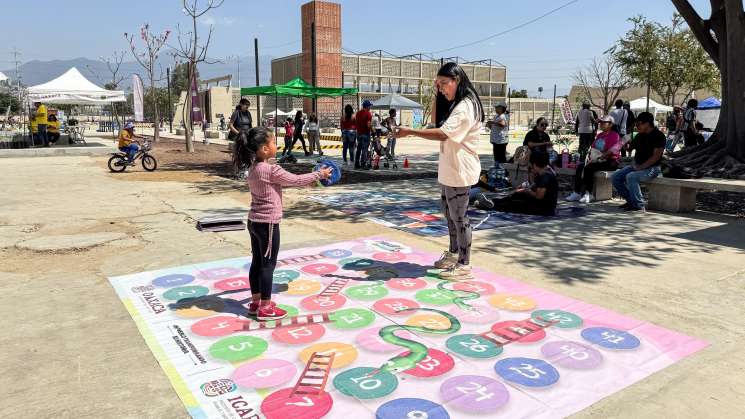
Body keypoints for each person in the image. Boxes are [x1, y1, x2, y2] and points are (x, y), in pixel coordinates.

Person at [233, 127, 332, 320]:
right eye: (272, 142)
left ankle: (255, 302)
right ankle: (266, 308)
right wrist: (319, 174)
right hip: (268, 223)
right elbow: (296, 180)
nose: (275, 145)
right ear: (263, 149)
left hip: (253, 222)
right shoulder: (271, 169)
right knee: (268, 265)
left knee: (257, 262)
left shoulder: (253, 168)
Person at [396, 62, 483, 280]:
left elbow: (443, 133)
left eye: (444, 83)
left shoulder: (466, 106)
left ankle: (464, 264)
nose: (442, 88)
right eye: (438, 84)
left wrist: (410, 132)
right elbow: (437, 121)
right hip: (449, 168)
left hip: (460, 169)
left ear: (458, 80)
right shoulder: (456, 103)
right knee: (449, 214)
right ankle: (454, 253)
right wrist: (438, 92)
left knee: (459, 217)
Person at [612, 112, 665, 212]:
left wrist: (641, 167)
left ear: (647, 123)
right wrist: (625, 143)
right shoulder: (639, 136)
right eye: (636, 124)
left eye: (639, 124)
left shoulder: (659, 136)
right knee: (615, 177)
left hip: (653, 168)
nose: (637, 126)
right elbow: (629, 149)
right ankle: (631, 201)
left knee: (631, 176)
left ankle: (639, 205)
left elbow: (656, 157)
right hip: (637, 166)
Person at [478, 151, 558, 216]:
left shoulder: (545, 176)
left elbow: (539, 196)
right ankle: (491, 202)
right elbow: (535, 186)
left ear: (534, 164)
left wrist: (526, 191)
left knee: (514, 204)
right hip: (540, 205)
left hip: (542, 208)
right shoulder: (544, 173)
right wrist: (525, 188)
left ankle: (491, 205)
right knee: (516, 196)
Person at [566, 115, 621, 203]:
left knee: (589, 168)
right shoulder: (600, 135)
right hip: (597, 159)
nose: (601, 124)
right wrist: (590, 157)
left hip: (611, 161)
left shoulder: (615, 136)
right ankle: (577, 192)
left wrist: (601, 156)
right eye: (600, 122)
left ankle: (589, 193)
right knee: (581, 166)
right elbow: (593, 147)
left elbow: (612, 151)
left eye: (604, 122)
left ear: (610, 124)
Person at [354, 100, 373, 169]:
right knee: (364, 149)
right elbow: (368, 125)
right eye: (370, 106)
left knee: (359, 149)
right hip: (365, 134)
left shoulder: (358, 113)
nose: (370, 107)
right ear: (367, 106)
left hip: (358, 134)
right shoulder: (368, 114)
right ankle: (363, 164)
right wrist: (373, 131)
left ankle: (356, 164)